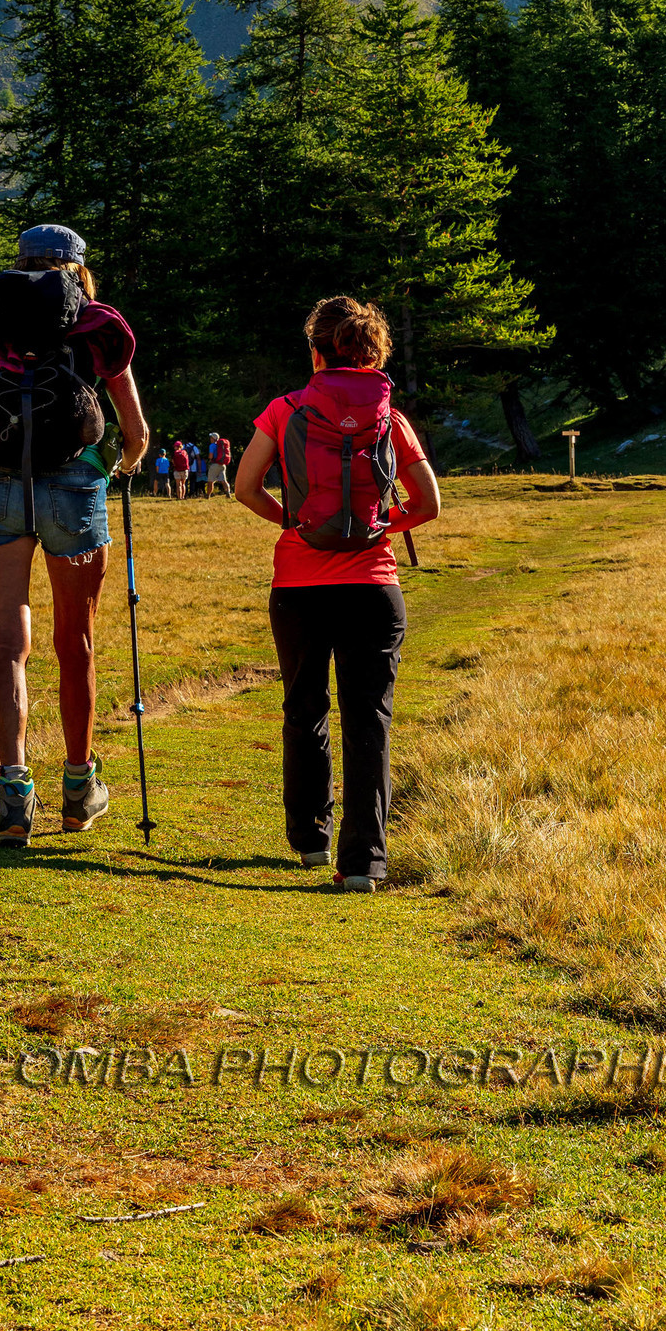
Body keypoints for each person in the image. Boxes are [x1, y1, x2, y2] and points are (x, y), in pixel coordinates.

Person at [0, 223, 148, 847]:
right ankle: (79, 786)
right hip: (74, 488)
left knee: (7, 643)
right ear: (76, 268)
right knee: (76, 639)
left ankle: (13, 797)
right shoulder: (98, 324)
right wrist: (123, 461)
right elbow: (135, 430)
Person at [234, 294, 439, 895]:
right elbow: (427, 505)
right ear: (375, 352)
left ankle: (310, 840)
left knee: (304, 709)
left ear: (317, 351)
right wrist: (383, 528)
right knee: (369, 720)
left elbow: (245, 487)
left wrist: (290, 523)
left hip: (299, 583)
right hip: (373, 585)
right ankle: (365, 863)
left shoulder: (285, 409)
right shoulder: (390, 417)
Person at [204, 431, 232, 498]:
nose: (210, 439)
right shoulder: (221, 446)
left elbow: (211, 456)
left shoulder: (212, 445)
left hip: (214, 464)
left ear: (213, 438)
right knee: (224, 481)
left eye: (211, 438)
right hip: (222, 464)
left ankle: (208, 495)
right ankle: (228, 493)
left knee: (210, 481)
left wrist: (208, 459)